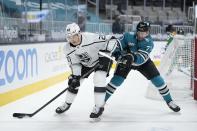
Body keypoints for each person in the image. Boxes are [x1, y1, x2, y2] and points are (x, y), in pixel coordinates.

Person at [105, 21, 181, 112]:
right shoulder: (128, 35)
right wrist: (117, 54)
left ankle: (169, 101)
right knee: (116, 81)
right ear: (137, 31)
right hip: (125, 60)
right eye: (140, 32)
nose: (142, 35)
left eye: (144, 33)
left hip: (143, 63)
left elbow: (141, 58)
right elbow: (117, 45)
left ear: (148, 32)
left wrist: (131, 57)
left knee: (159, 81)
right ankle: (100, 102)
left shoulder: (149, 43)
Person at [55, 23, 118, 119]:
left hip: (101, 59)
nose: (72, 39)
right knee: (74, 83)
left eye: (74, 36)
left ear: (79, 33)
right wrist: (75, 77)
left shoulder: (91, 38)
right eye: (69, 37)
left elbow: (112, 39)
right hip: (85, 64)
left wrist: (106, 52)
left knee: (99, 79)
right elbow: (75, 63)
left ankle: (99, 107)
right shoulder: (67, 48)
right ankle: (67, 104)